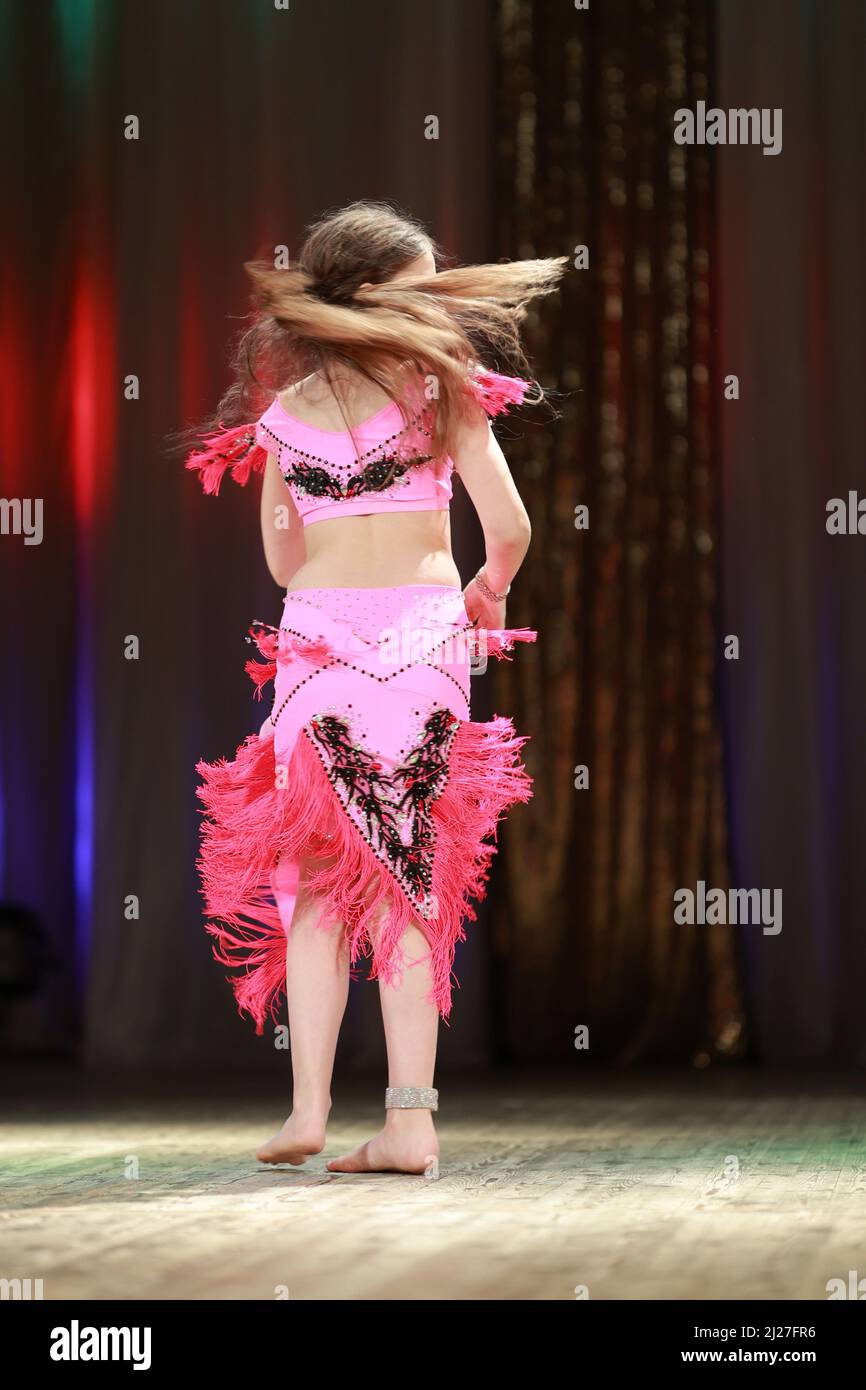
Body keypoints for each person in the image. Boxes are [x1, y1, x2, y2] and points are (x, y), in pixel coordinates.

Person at [184, 200, 564, 1174]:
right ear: (368, 295)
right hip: (421, 643)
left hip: (315, 650)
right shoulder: (443, 396)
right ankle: (407, 1119)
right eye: (419, 284)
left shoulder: (285, 417)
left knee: (309, 882)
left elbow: (280, 559)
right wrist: (488, 588)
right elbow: (510, 527)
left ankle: (308, 1107)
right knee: (404, 878)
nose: (434, 301)